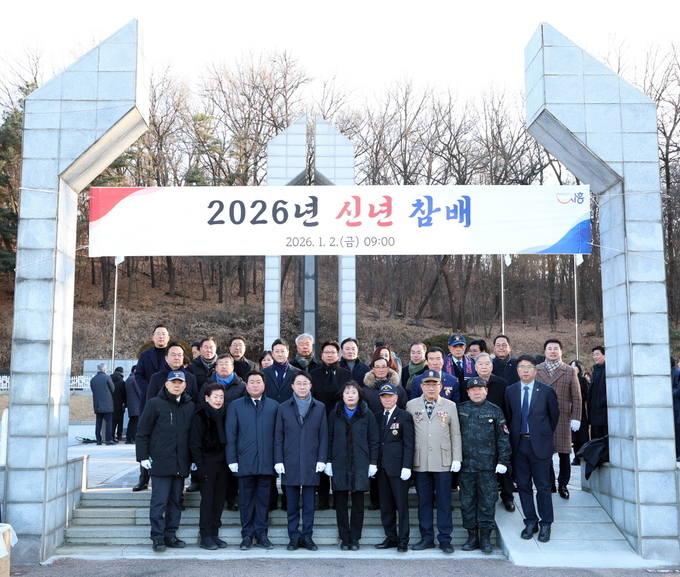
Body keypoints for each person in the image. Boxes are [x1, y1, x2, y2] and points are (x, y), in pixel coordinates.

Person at [136, 371, 195, 552]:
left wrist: (193, 460)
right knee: (159, 502)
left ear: (185, 385)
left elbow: (192, 436)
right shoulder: (154, 403)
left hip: (180, 462)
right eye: (173, 382)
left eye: (180, 382)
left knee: (176, 502)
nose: (176, 385)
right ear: (166, 384)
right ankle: (157, 537)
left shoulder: (190, 405)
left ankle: (170, 535)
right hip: (161, 462)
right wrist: (143, 457)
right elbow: (142, 432)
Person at [504, 355, 559, 543]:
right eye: (522, 367)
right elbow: (510, 416)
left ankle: (546, 524)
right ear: (517, 370)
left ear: (536, 370)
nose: (525, 370)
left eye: (529, 367)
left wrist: (541, 434)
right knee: (523, 485)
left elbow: (553, 417)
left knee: (543, 485)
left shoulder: (546, 391)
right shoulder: (510, 391)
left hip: (540, 445)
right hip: (519, 445)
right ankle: (530, 521)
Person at [406, 369, 462, 554]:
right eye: (427, 385)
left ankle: (445, 539)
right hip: (420, 461)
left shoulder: (450, 405)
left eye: (434, 385)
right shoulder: (411, 405)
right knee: (424, 501)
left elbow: (455, 434)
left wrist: (457, 458)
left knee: (444, 502)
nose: (431, 388)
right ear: (421, 386)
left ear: (441, 386)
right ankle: (427, 537)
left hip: (443, 461)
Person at [274, 371, 328, 551]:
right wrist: (278, 460)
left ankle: (307, 537)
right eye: (299, 383)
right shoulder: (283, 407)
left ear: (310, 386)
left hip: (311, 460)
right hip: (289, 460)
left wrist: (322, 459)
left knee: (309, 504)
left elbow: (323, 435)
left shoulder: (319, 407)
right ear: (292, 386)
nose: (302, 386)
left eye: (305, 383)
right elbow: (278, 436)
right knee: (291, 504)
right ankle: (294, 537)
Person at [457, 376, 511, 553]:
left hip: (487, 467)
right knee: (467, 502)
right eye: (473, 390)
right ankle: (472, 536)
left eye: (480, 389)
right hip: (466, 466)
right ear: (468, 392)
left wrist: (503, 461)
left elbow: (503, 438)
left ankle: (486, 537)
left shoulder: (495, 411)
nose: (476, 392)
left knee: (487, 502)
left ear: (486, 391)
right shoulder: (460, 410)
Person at [226, 370, 279, 550]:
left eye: (258, 382)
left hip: (267, 461)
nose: (255, 385)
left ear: (264, 385)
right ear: (246, 385)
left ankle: (262, 534)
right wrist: (232, 459)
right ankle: (247, 535)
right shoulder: (236, 406)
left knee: (264, 501)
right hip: (244, 461)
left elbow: (279, 436)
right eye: (252, 382)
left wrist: (278, 460)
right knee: (245, 501)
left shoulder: (274, 406)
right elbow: (231, 434)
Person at [326, 381, 379, 551]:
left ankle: (355, 538)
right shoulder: (335, 413)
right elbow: (329, 437)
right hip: (339, 462)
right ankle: (344, 538)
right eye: (347, 392)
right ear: (342, 396)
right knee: (340, 504)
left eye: (353, 392)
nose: (350, 395)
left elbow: (373, 440)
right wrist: (328, 460)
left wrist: (373, 462)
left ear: (359, 395)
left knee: (358, 505)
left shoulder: (367, 414)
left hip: (360, 463)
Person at [536, 339, 581, 499]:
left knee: (564, 453)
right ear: (545, 351)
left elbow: (577, 397)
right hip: (542, 417)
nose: (553, 351)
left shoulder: (569, 371)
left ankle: (563, 485)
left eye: (556, 348)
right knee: (545, 452)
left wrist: (576, 417)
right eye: (550, 348)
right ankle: (550, 484)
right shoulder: (537, 369)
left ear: (561, 351)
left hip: (563, 417)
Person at [310, 340, 352, 510]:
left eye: (332, 352)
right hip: (319, 420)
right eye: (326, 352)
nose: (329, 355)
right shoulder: (313, 373)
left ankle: (339, 496)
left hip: (341, 421)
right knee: (321, 457)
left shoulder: (346, 374)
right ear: (321, 355)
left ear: (338, 354)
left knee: (339, 458)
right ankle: (323, 498)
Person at [373, 383, 414, 553]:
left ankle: (403, 539)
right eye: (384, 396)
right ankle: (391, 537)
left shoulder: (404, 416)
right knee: (386, 505)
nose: (387, 399)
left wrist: (407, 466)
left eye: (390, 396)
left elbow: (409, 444)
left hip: (398, 468)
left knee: (401, 505)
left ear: (396, 398)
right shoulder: (377, 416)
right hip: (382, 467)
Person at [473, 352, 515, 512]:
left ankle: (508, 497)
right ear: (475, 367)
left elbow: (507, 408)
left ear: (492, 366)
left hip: (497, 430)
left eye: (487, 364)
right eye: (480, 364)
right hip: (476, 431)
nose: (484, 367)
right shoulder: (468, 384)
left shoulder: (502, 383)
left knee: (504, 463)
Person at [189, 383, 228, 550]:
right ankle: (205, 535)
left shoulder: (225, 414)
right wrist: (199, 468)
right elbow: (194, 444)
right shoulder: (200, 415)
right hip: (206, 463)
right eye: (215, 396)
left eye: (221, 397)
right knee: (207, 501)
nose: (218, 400)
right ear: (207, 398)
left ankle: (214, 533)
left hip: (223, 464)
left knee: (219, 500)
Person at [132, 324, 171, 492]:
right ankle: (143, 478)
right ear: (152, 337)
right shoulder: (145, 355)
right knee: (145, 437)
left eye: (164, 334)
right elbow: (139, 375)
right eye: (158, 334)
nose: (161, 336)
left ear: (168, 337)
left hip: (170, 402)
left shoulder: (173, 354)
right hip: (148, 401)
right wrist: (150, 391)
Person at [206, 353, 245, 511]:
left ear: (232, 367)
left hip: (236, 433)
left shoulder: (241, 386)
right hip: (213, 433)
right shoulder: (207, 385)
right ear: (215, 367)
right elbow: (201, 408)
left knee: (233, 467)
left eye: (226, 364)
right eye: (220, 364)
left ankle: (232, 498)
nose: (223, 367)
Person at [262, 339, 301, 404]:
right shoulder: (263, 373)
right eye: (277, 351)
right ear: (272, 354)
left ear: (288, 353)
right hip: (269, 408)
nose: (280, 354)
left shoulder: (297, 373)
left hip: (291, 408)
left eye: (282, 351)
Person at [570, 359, 590, 465]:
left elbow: (586, 395)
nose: (573, 368)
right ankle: (576, 456)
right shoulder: (568, 378)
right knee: (574, 436)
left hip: (581, 410)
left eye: (575, 366)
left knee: (581, 435)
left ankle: (582, 455)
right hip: (570, 410)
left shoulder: (582, 380)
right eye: (571, 366)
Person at [90, 363, 115, 446]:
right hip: (107, 403)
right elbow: (112, 389)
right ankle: (108, 439)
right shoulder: (107, 378)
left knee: (98, 422)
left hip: (97, 404)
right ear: (104, 369)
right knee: (108, 422)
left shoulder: (93, 379)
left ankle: (98, 440)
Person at [588, 346, 608, 440]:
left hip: (604, 414)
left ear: (605, 355)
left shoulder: (608, 370)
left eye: (597, 354)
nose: (594, 357)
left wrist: (602, 402)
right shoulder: (596, 370)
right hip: (595, 414)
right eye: (594, 355)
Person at [124, 365, 140, 444]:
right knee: (135, 422)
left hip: (131, 403)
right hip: (136, 404)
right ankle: (133, 437)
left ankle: (128, 438)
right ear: (135, 370)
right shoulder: (135, 379)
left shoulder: (129, 379)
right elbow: (139, 391)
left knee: (132, 421)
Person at [111, 366, 127, 442]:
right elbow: (124, 394)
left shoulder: (110, 380)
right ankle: (119, 435)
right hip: (120, 403)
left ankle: (111, 435)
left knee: (113, 421)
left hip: (111, 403)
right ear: (122, 372)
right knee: (120, 421)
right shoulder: (122, 382)